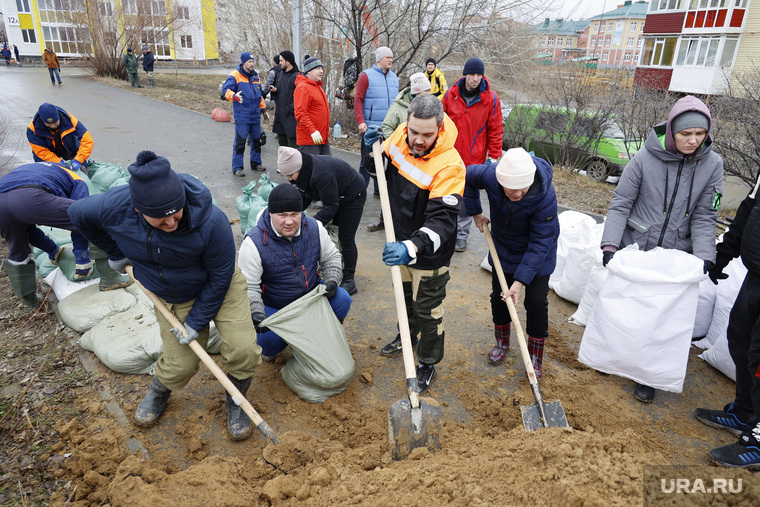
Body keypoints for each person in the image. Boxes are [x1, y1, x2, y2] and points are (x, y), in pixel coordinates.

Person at [68, 151, 262, 440]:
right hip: (172, 293)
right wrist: (114, 251)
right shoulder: (113, 207)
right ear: (137, 210)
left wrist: (196, 322)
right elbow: (77, 215)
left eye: (176, 213)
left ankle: (236, 400)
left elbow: (221, 276)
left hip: (219, 285)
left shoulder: (211, 220)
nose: (171, 223)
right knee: (180, 365)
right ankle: (159, 392)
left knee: (244, 348)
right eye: (160, 218)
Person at [600, 95, 724, 404]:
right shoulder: (644, 158)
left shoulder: (713, 165)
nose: (693, 140)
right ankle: (615, 359)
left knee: (662, 319)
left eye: (700, 134)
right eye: (686, 134)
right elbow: (621, 204)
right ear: (671, 131)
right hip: (639, 247)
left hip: (675, 255)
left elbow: (707, 214)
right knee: (629, 310)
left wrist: (705, 255)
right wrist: (610, 244)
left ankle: (647, 376)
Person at [365, 94, 465, 393]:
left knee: (428, 310)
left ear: (440, 128)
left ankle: (427, 362)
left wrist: (411, 247)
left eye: (427, 135)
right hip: (399, 240)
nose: (418, 140)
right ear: (406, 123)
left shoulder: (450, 165)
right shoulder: (399, 135)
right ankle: (405, 338)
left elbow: (443, 222)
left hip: (427, 253)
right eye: (414, 132)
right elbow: (380, 175)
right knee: (404, 300)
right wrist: (372, 152)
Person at [463, 148, 558, 375]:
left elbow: (540, 242)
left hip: (538, 252)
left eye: (521, 189)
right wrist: (475, 212)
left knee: (536, 302)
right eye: (510, 190)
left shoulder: (545, 197)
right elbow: (467, 176)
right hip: (503, 247)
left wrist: (520, 282)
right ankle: (502, 342)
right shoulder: (492, 175)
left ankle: (534, 356)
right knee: (500, 297)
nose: (516, 194)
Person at [238, 184, 352, 361]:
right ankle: (275, 347)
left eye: (294, 214)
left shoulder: (314, 228)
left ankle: (324, 333)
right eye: (282, 215)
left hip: (310, 297)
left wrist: (331, 280)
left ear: (301, 212)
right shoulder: (254, 243)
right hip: (276, 305)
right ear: (270, 213)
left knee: (342, 299)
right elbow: (249, 286)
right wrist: (257, 312)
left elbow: (331, 257)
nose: (289, 221)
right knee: (267, 342)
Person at [0, 161, 132, 308]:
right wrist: (82, 257)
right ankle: (110, 278)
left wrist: (53, 250)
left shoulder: (36, 168)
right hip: (31, 197)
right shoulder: (75, 177)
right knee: (92, 220)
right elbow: (81, 216)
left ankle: (30, 302)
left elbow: (29, 231)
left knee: (18, 251)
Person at [695, 172, 760, 468]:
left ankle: (757, 439)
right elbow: (750, 209)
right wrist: (725, 252)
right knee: (740, 339)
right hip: (756, 273)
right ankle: (745, 411)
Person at [277, 146, 366, 295]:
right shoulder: (305, 170)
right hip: (336, 194)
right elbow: (305, 196)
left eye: (291, 175)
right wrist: (293, 213)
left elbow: (331, 206)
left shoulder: (320, 174)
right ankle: (337, 268)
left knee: (346, 238)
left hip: (353, 195)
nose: (290, 179)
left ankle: (349, 279)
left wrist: (311, 225)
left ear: (298, 168)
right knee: (334, 234)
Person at [442, 57, 503, 252]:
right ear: (465, 75)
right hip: (450, 155)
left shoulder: (490, 99)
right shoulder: (450, 96)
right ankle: (445, 232)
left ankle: (461, 235)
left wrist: (494, 156)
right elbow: (440, 123)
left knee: (468, 198)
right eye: (471, 75)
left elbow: (495, 130)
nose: (475, 79)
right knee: (446, 194)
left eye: (478, 75)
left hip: (474, 158)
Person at [366, 73, 432, 233]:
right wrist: (398, 144)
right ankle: (385, 219)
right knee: (391, 191)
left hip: (424, 160)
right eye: (423, 93)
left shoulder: (433, 107)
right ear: (415, 94)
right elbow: (386, 127)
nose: (427, 96)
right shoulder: (398, 107)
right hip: (400, 158)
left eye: (428, 92)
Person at [354, 46, 399, 200]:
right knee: (367, 161)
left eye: (392, 57)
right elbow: (358, 99)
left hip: (390, 128)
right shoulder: (366, 76)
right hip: (371, 128)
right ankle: (359, 191)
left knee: (386, 160)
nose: (391, 59)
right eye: (388, 57)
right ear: (380, 59)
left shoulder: (394, 78)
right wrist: (361, 121)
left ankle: (379, 190)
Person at [223, 52, 267, 177]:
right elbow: (226, 90)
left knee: (256, 141)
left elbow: (259, 96)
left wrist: (263, 110)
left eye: (253, 62)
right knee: (240, 142)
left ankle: (256, 163)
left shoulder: (255, 77)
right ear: (243, 62)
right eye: (249, 62)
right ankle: (237, 167)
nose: (252, 64)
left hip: (255, 115)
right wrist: (234, 97)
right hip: (242, 116)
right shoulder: (235, 75)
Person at [27, 103, 93, 172]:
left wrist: (78, 159)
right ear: (42, 121)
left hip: (68, 146)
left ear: (59, 117)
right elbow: (41, 151)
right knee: (48, 173)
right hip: (46, 152)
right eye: (49, 124)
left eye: (55, 122)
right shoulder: (33, 129)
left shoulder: (69, 119)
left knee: (81, 168)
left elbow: (87, 141)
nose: (53, 126)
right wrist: (59, 162)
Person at [294, 56, 330, 155]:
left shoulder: (317, 87)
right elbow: (300, 114)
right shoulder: (303, 88)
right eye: (317, 68)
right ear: (308, 71)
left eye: (322, 68)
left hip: (322, 138)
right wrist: (313, 131)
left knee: (329, 167)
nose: (321, 71)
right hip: (310, 140)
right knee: (313, 169)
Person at [271, 50, 299, 148]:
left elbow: (300, 99)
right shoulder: (280, 75)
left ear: (288, 62)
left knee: (294, 149)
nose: (280, 63)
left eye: (281, 61)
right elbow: (279, 95)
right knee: (282, 148)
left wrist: (289, 109)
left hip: (291, 119)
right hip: (280, 118)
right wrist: (274, 91)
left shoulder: (297, 77)